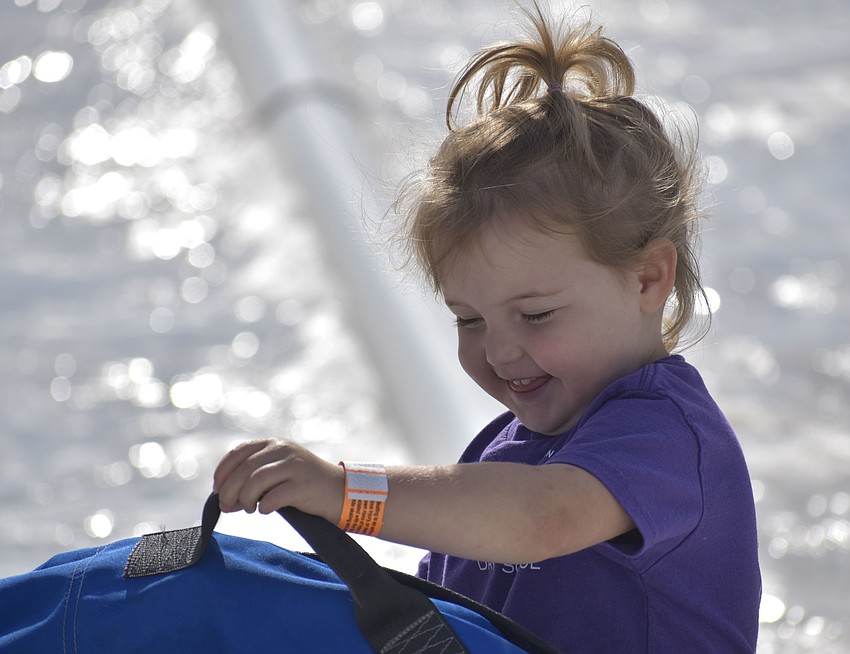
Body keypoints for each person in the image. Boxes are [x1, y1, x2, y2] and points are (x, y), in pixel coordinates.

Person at [213, 3, 761, 651]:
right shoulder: (503, 449)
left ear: (647, 279)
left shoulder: (668, 439)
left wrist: (343, 490)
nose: (497, 350)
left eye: (535, 315)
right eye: (467, 319)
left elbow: (541, 516)